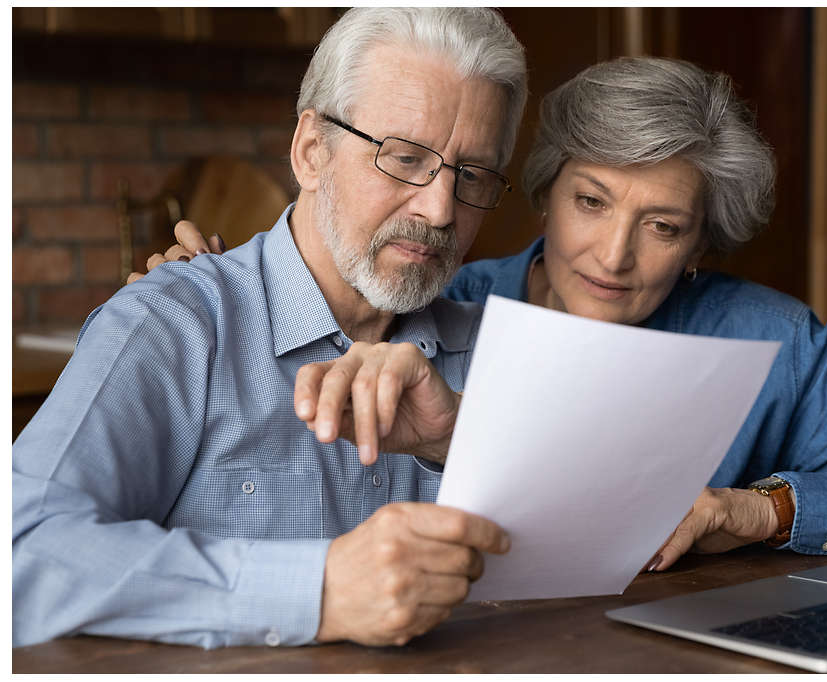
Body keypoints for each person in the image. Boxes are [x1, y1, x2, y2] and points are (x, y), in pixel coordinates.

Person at [158, 57, 827, 571]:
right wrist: (223, 294)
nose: (614, 255)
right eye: (591, 202)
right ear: (545, 191)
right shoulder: (440, 306)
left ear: (700, 245)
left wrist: (759, 511)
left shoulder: (769, 337)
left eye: (663, 226)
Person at [13, 7, 529, 649]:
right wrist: (320, 590)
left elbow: (607, 550)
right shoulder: (175, 326)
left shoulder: (504, 351)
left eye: (472, 175)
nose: (439, 208)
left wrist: (465, 440)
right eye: (403, 158)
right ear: (313, 152)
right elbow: (22, 555)